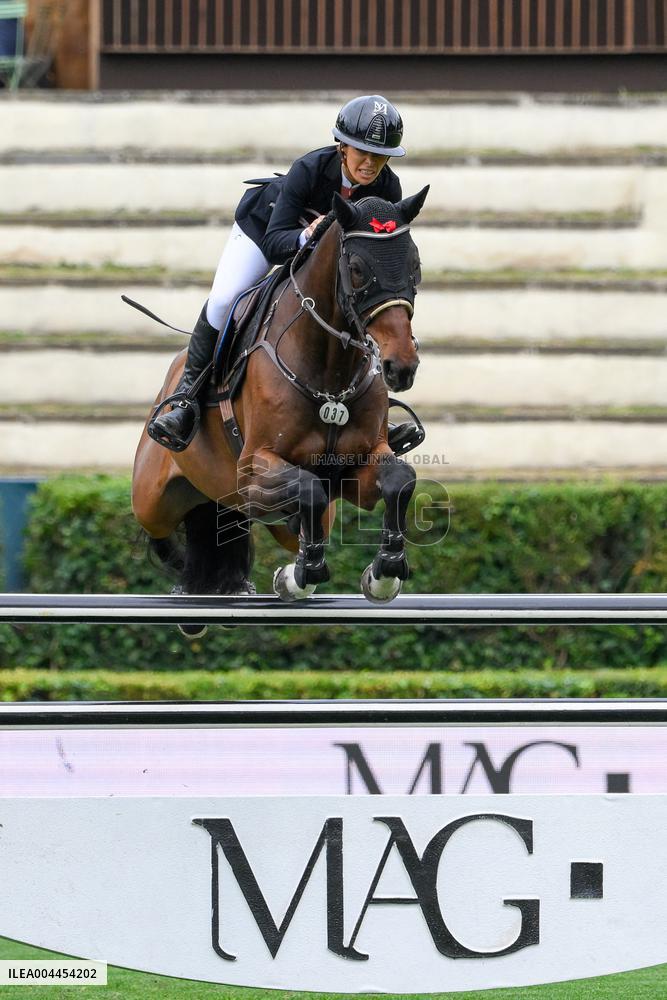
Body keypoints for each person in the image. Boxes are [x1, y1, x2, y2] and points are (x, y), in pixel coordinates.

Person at [151, 95, 409, 450]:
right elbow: (275, 242)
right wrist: (310, 233)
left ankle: (379, 413)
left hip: (328, 259)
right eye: (361, 151)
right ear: (341, 147)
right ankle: (185, 399)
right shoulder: (310, 169)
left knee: (365, 309)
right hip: (264, 231)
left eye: (380, 155)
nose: (370, 162)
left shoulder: (388, 188)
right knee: (226, 299)